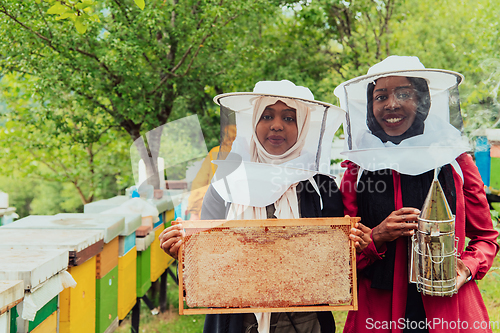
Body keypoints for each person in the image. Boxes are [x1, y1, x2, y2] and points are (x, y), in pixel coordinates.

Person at [160, 80, 365, 333]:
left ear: (302, 128)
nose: (277, 125)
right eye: (267, 115)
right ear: (253, 122)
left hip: (306, 324)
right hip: (236, 324)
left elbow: (333, 269)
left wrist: (351, 247)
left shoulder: (322, 188)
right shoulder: (225, 186)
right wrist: (184, 256)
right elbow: (205, 275)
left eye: (289, 118)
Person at [334, 56, 500, 333]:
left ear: (423, 101)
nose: (391, 104)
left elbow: (485, 238)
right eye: (380, 95)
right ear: (369, 106)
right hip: (379, 312)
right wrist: (377, 235)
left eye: (403, 93)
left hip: (449, 310)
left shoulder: (456, 161)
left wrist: (468, 267)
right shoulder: (358, 168)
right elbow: (340, 246)